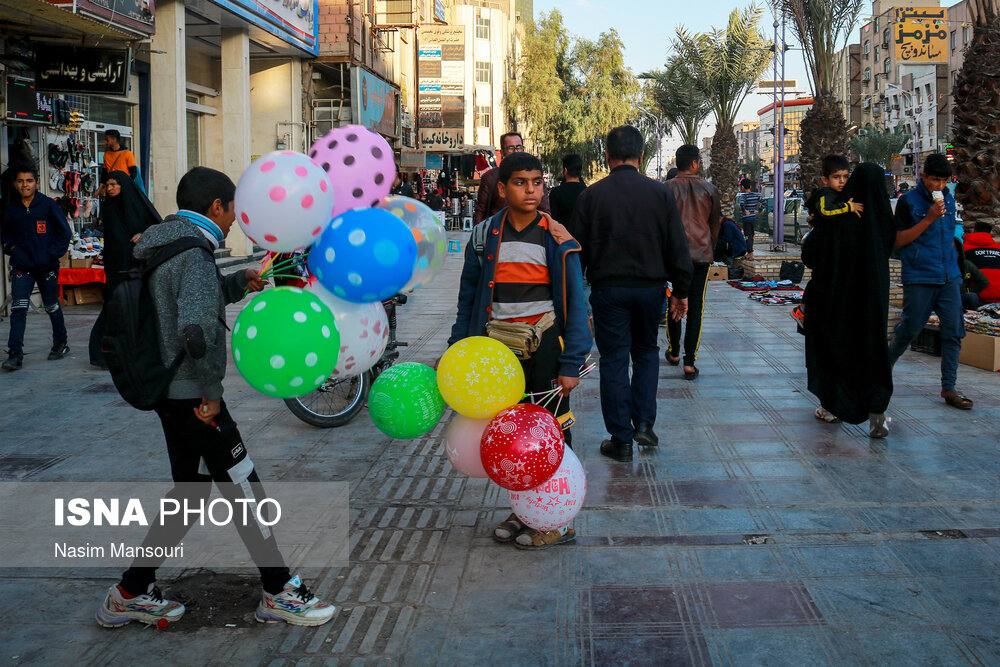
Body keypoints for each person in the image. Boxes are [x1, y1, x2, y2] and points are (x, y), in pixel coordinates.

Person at [94, 167, 335, 629]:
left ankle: (129, 591)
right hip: (192, 395)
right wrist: (211, 392)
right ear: (216, 207)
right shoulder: (195, 254)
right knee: (244, 482)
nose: (232, 224)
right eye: (231, 213)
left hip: (163, 387)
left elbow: (178, 301)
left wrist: (237, 281)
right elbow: (196, 327)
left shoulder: (164, 242)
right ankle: (279, 588)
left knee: (188, 492)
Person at [446, 152, 591, 549]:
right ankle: (526, 510)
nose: (531, 190)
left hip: (544, 348)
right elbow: (468, 298)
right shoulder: (483, 237)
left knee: (550, 434)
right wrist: (459, 348)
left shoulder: (558, 239)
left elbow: (576, 304)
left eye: (537, 182)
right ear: (502, 188)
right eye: (521, 183)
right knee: (511, 437)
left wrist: (571, 361)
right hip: (497, 355)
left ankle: (558, 519)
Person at [570, 125, 693, 463]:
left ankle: (620, 439)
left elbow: (576, 252)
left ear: (606, 156)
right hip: (650, 290)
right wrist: (680, 291)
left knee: (612, 360)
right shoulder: (660, 193)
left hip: (608, 290)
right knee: (645, 353)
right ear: (642, 156)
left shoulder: (591, 196)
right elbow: (677, 246)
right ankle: (644, 423)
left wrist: (573, 299)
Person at [801, 163, 894, 437]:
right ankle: (877, 409)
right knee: (872, 350)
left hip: (835, 300)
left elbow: (812, 256)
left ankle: (832, 404)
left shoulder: (841, 216)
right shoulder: (883, 220)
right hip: (873, 300)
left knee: (835, 349)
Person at [887, 154, 972, 410]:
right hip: (920, 275)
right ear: (923, 177)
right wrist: (929, 218)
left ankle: (949, 387)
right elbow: (898, 241)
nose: (939, 186)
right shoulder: (908, 202)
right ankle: (885, 365)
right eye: (935, 180)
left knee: (953, 330)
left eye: (944, 181)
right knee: (911, 327)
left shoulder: (948, 197)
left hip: (948, 276)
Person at [88, 170, 162, 368]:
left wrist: (144, 235)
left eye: (114, 184)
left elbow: (158, 228)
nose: (110, 189)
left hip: (139, 268)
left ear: (124, 185)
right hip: (116, 268)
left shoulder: (138, 204)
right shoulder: (109, 207)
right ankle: (100, 353)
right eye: (107, 185)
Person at [2, 167, 72, 371]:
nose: (25, 185)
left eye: (29, 181)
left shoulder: (48, 205)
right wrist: (13, 250)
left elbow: (64, 232)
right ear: (16, 184)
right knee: (18, 308)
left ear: (37, 183)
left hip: (47, 266)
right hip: (22, 267)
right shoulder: (11, 208)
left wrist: (51, 254)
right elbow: (6, 235)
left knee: (51, 305)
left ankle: (61, 343)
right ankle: (15, 354)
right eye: (21, 181)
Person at [664, 144, 721, 380]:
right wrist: (710, 248)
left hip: (673, 257)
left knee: (674, 301)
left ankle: (674, 351)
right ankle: (689, 362)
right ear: (695, 163)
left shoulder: (665, 189)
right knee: (696, 307)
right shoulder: (709, 189)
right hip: (700, 256)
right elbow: (715, 224)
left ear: (678, 163)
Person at [473, 132, 550, 223]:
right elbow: (481, 211)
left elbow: (544, 210)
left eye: (519, 147)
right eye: (511, 148)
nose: (515, 151)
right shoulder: (490, 177)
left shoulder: (534, 176)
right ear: (502, 152)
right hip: (498, 232)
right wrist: (480, 234)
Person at [963, 221, 1000, 304]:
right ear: (989, 233)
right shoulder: (998, 248)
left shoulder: (963, 249)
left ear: (974, 231)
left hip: (975, 298)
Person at [549, 153, 586, 228]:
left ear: (565, 170)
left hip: (562, 236)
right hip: (583, 237)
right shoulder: (588, 192)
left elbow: (553, 220)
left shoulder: (556, 193)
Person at [955, 237, 989, 310]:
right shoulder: (938, 265)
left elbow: (984, 281)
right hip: (943, 296)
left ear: (959, 252)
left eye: (955, 251)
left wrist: (968, 290)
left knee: (971, 296)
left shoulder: (966, 264)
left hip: (961, 295)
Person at [100, 130, 138, 194]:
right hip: (110, 190)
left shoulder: (127, 153)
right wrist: (99, 189)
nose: (105, 142)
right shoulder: (106, 154)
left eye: (107, 140)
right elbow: (104, 174)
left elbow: (133, 173)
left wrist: (126, 185)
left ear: (114, 140)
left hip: (123, 189)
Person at [737, 178, 764, 261]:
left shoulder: (744, 196)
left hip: (746, 219)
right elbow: (764, 202)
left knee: (747, 236)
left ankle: (750, 254)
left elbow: (741, 204)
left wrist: (744, 210)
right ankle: (750, 252)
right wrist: (758, 210)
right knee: (751, 236)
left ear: (743, 187)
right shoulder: (756, 195)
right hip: (753, 218)